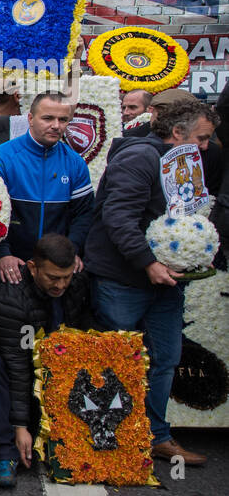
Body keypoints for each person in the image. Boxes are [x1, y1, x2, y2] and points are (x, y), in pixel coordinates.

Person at [85, 100, 219, 467]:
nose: (206, 146)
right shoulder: (141, 158)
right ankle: (106, 435)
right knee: (115, 360)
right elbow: (118, 217)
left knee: (165, 358)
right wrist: (148, 263)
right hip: (124, 279)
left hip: (166, 282)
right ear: (177, 133)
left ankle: (155, 436)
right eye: (201, 138)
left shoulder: (185, 159)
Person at [0, 234, 92, 488]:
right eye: (53, 278)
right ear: (32, 268)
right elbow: (18, 366)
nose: (60, 285)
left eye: (66, 277)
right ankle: (2, 453)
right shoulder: (9, 298)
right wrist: (19, 426)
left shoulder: (76, 283)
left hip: (47, 360)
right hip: (7, 365)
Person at [0, 91, 93, 283]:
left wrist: (73, 250)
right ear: (30, 118)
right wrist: (2, 253)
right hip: (12, 263)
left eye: (63, 119)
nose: (56, 125)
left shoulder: (75, 162)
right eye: (48, 118)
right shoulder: (2, 158)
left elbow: (83, 214)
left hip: (56, 267)